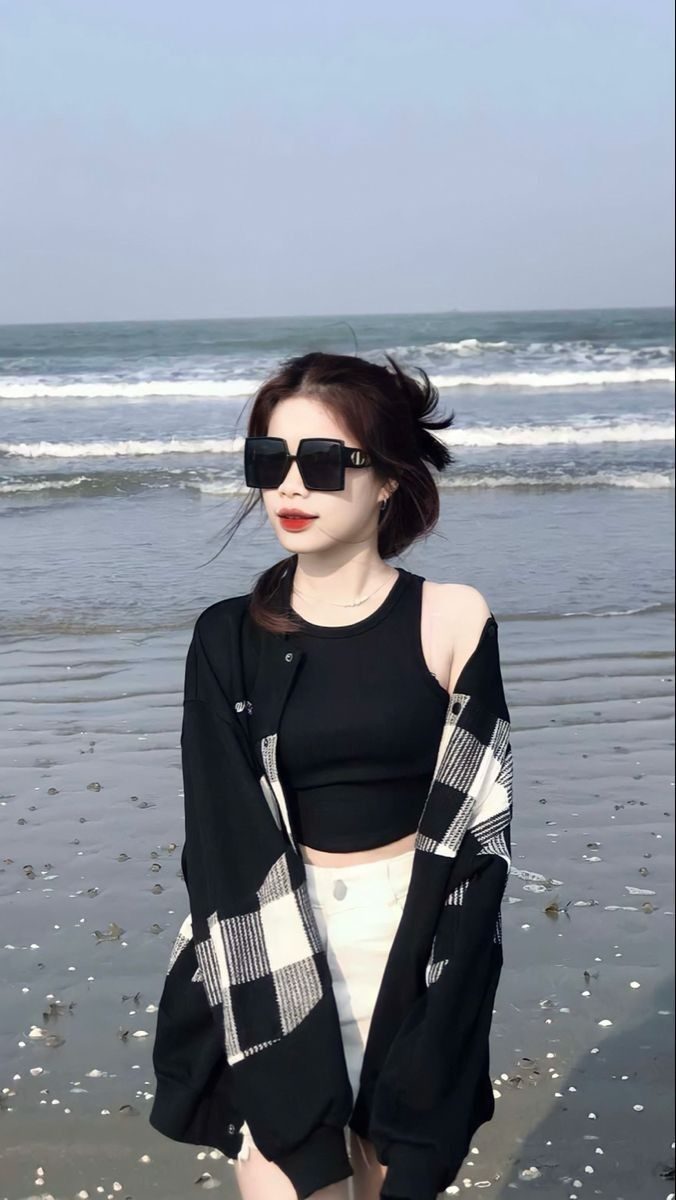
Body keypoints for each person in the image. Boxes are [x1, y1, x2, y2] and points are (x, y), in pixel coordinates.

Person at [149, 352, 513, 1200]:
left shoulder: (452, 619)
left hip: (411, 945)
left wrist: (444, 1013)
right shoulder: (226, 639)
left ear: (386, 479)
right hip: (268, 937)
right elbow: (223, 844)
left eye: (320, 461)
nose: (289, 486)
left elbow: (480, 839)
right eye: (268, 460)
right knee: (288, 1174)